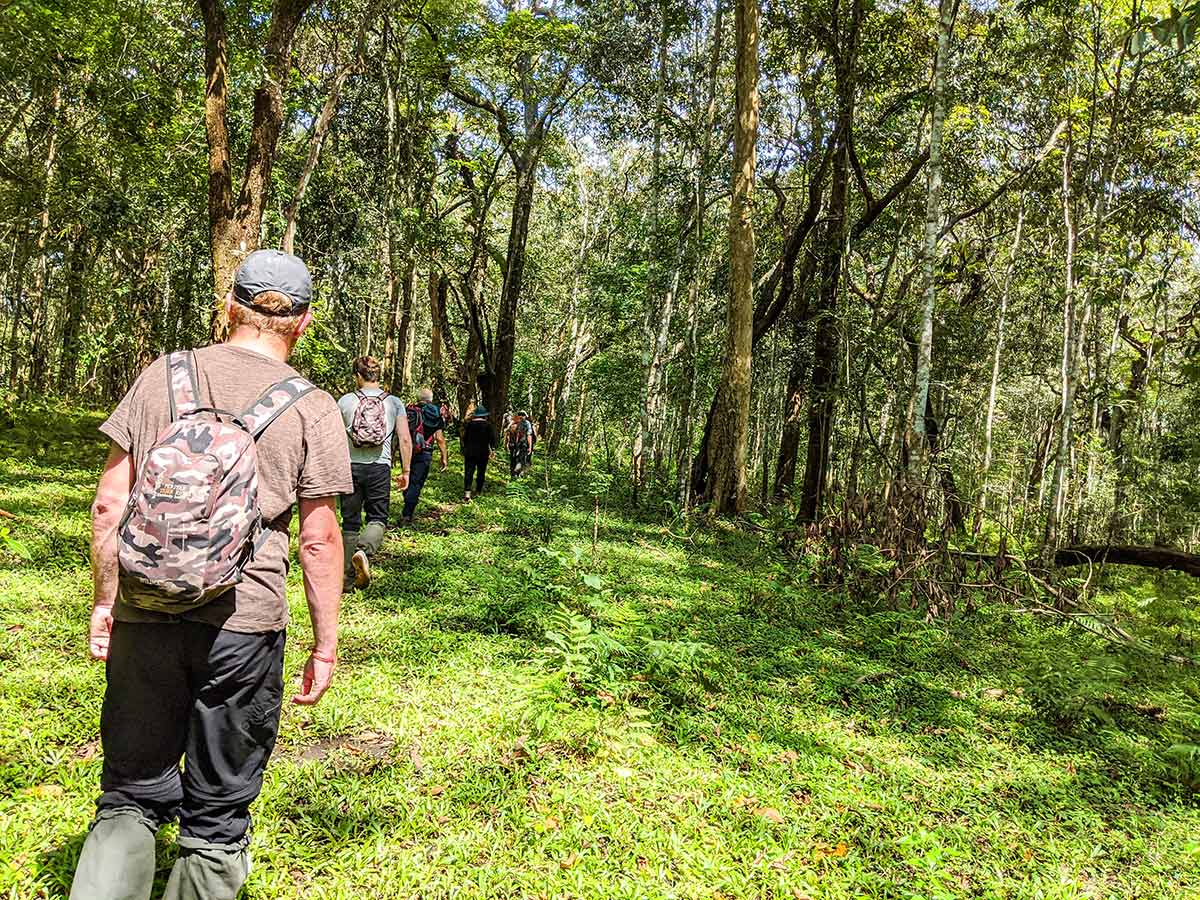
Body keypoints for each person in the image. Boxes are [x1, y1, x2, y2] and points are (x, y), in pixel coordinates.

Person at [71, 249, 352, 900]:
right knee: (219, 815)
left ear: (230, 305)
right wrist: (326, 643)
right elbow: (319, 539)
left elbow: (111, 501)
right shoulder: (312, 407)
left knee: (130, 794)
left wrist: (105, 603)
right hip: (245, 628)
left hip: (146, 611)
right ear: (303, 323)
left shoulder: (162, 376)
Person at [336, 355, 411, 590]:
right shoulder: (394, 402)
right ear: (378, 376)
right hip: (380, 466)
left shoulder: (345, 401)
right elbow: (405, 439)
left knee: (349, 522)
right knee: (378, 518)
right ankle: (364, 551)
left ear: (357, 376)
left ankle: (347, 580)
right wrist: (406, 470)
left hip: (350, 466)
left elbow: (334, 438)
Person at [401, 387, 448, 524]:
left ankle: (408, 501)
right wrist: (444, 456)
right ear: (430, 399)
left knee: (408, 477)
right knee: (416, 483)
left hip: (407, 450)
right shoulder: (434, 414)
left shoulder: (408, 410)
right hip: (425, 451)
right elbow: (439, 438)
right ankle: (407, 514)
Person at [460, 404, 495, 500]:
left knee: (469, 472)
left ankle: (467, 493)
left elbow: (464, 438)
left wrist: (465, 448)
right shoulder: (488, 425)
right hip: (483, 453)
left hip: (470, 452)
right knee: (481, 472)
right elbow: (492, 440)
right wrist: (493, 450)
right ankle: (478, 491)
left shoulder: (469, 424)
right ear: (484, 415)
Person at [507, 410, 535, 477]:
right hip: (523, 444)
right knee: (521, 459)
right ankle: (518, 473)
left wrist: (508, 444)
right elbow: (529, 435)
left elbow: (509, 434)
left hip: (515, 444)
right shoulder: (527, 423)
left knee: (514, 458)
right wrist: (530, 447)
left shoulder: (514, 423)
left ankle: (513, 474)